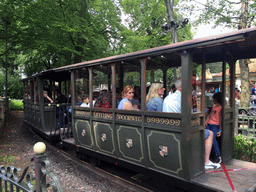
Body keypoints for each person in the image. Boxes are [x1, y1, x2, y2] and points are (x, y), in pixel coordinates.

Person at [205, 92, 222, 164]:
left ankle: (218, 155)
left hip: (215, 125)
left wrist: (220, 130)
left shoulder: (220, 108)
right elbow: (209, 115)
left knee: (213, 138)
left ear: (216, 99)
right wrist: (206, 122)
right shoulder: (213, 106)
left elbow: (221, 119)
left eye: (213, 99)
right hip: (209, 124)